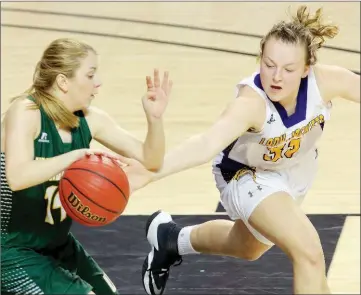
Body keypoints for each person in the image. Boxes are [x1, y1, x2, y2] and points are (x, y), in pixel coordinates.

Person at [119, 5, 360, 295]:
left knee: (248, 246)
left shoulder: (326, 82)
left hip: (294, 169)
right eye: (269, 64)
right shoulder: (251, 103)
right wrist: (151, 171)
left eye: (288, 69)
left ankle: (170, 239)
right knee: (308, 252)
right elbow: (206, 143)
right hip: (247, 175)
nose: (277, 77)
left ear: (306, 68)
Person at [0, 38, 173, 295]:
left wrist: (155, 119)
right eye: (91, 74)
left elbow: (152, 160)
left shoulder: (91, 120)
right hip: (13, 251)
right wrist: (75, 156)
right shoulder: (26, 111)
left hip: (58, 244)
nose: (99, 82)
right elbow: (17, 176)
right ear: (63, 81)